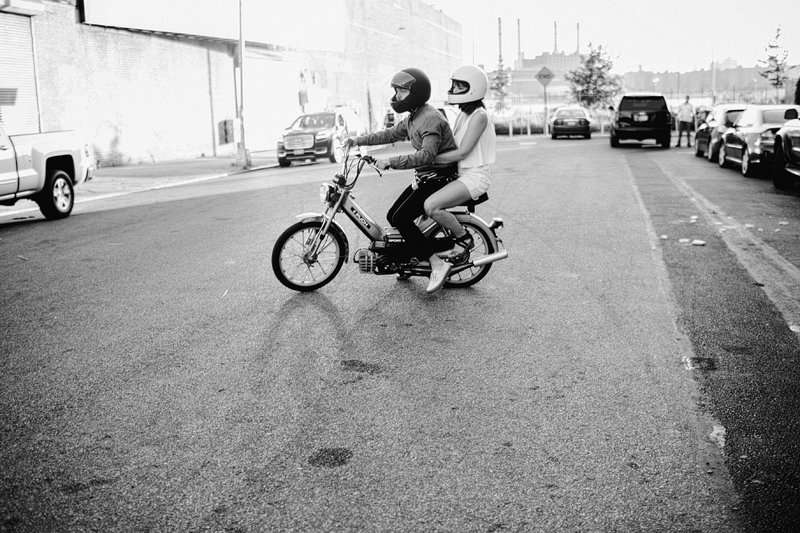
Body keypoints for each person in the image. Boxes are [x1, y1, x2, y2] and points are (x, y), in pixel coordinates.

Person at [343, 67, 459, 292]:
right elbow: (388, 134)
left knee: (402, 218)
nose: (396, 97)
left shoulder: (430, 119)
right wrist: (356, 141)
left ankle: (436, 263)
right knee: (393, 217)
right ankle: (407, 260)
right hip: (425, 178)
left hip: (438, 179)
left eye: (401, 92)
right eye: (396, 91)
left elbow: (427, 155)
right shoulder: (414, 117)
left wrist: (391, 162)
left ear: (416, 92)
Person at [423, 64, 496, 293]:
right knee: (418, 203)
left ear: (473, 88)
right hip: (460, 174)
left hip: (474, 177)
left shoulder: (479, 116)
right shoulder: (463, 115)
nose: (453, 88)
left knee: (431, 206)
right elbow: (452, 146)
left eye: (459, 85)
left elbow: (463, 152)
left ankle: (463, 239)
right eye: (453, 84)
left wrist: (431, 159)